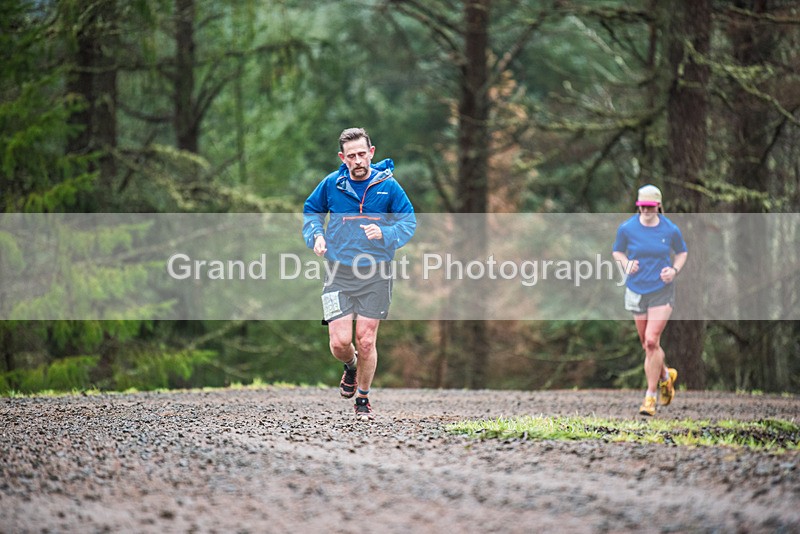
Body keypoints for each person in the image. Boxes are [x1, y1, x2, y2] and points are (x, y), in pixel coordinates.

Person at [302, 127, 416, 421]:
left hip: (376, 273)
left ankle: (363, 398)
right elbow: (311, 211)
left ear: (372, 152)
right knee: (340, 342)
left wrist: (386, 232)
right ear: (343, 157)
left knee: (366, 339)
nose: (358, 160)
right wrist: (316, 236)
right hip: (338, 271)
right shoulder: (332, 184)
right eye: (351, 156)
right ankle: (351, 366)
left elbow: (409, 222)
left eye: (362, 154)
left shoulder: (388, 187)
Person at [612, 184, 688, 416]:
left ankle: (650, 397)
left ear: (658, 206)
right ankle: (666, 375)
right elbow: (617, 251)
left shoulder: (669, 229)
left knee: (652, 340)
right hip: (636, 290)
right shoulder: (627, 228)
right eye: (642, 207)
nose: (646, 211)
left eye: (650, 207)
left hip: (661, 291)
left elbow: (682, 252)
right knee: (647, 345)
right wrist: (626, 264)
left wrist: (674, 270)